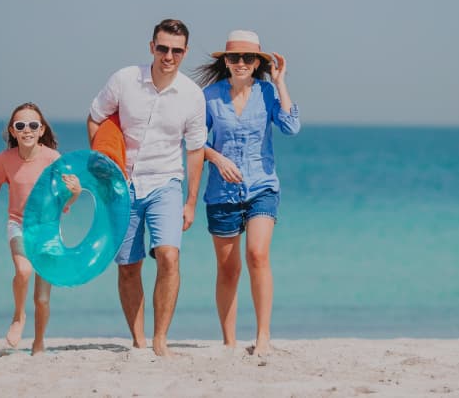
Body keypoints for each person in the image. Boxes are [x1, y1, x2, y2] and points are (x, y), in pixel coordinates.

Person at [86, 18, 207, 357]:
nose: (169, 56)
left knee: (169, 255)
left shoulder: (192, 96)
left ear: (185, 52)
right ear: (152, 47)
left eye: (176, 51)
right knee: (129, 266)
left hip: (165, 182)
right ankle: (139, 341)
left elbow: (195, 150)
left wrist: (191, 201)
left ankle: (160, 339)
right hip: (122, 185)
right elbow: (95, 117)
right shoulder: (124, 80)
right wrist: (102, 166)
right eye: (163, 48)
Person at [193, 30, 300, 356]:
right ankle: (229, 341)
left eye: (248, 58)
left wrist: (280, 82)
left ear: (257, 63)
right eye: (234, 57)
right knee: (228, 270)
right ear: (226, 61)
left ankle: (263, 336)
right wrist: (217, 157)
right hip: (221, 193)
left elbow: (291, 127)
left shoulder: (267, 92)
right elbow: (194, 141)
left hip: (261, 187)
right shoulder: (208, 96)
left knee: (257, 254)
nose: (241, 62)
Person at [0, 102, 80, 355]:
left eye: (32, 125)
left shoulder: (53, 159)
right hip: (17, 223)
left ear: (41, 130)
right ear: (12, 131)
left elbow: (66, 198)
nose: (26, 129)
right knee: (23, 270)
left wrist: (76, 192)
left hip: (48, 229)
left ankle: (38, 343)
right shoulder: (4, 159)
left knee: (42, 298)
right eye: (20, 125)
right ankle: (18, 316)